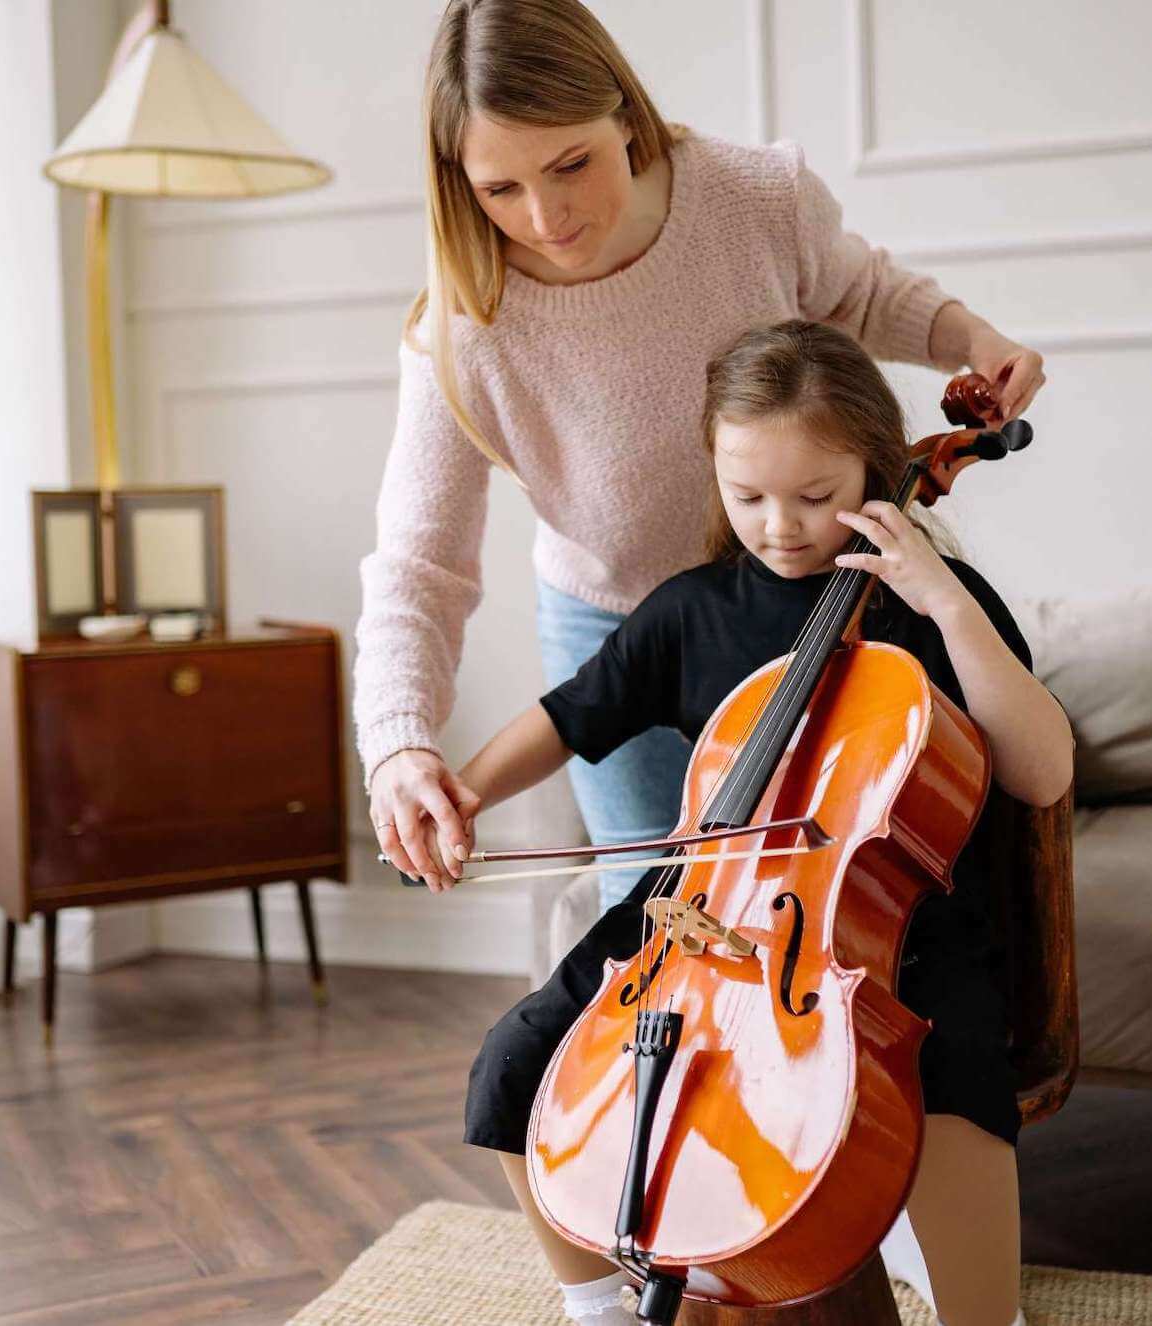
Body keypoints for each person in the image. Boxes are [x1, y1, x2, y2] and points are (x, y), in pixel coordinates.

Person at [441, 320, 1074, 1325]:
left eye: (814, 498)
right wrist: (460, 792)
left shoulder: (926, 607)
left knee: (946, 1070)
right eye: (746, 498)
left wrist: (945, 603)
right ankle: (601, 1306)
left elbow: (1041, 773)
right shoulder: (690, 610)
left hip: (883, 927)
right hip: (701, 909)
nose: (779, 526)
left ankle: (979, 1314)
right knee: (518, 1059)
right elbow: (569, 716)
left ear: (872, 467)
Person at [356, 0, 1046, 913]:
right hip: (618, 621)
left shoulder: (749, 197)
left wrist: (972, 336)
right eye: (499, 190)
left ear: (625, 115)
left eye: (572, 164)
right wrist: (401, 744)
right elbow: (419, 564)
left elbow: (864, 293)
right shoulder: (464, 328)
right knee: (652, 924)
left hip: (804, 593)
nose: (547, 216)